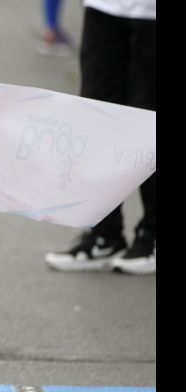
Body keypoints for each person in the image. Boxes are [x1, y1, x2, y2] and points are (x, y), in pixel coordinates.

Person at [45, 0, 156, 275]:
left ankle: (152, 235)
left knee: (148, 118)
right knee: (95, 116)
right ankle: (105, 234)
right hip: (103, 6)